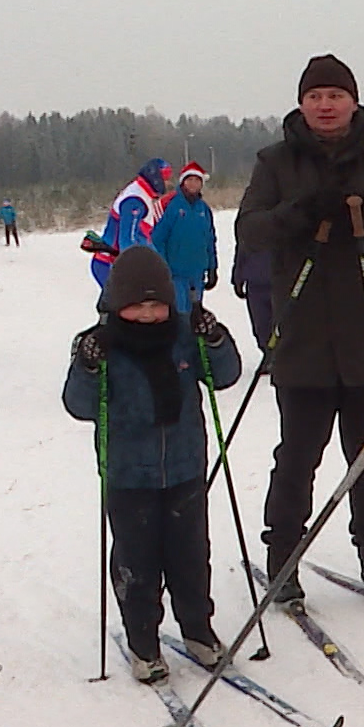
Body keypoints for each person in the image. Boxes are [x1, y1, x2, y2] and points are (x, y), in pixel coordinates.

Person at [235, 54, 364, 602]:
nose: (325, 105)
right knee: (297, 456)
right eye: (315, 95)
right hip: (303, 336)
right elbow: (251, 230)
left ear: (353, 101)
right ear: (301, 103)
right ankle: (283, 559)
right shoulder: (275, 161)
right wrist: (301, 211)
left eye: (335, 95)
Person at [63, 246, 241, 680]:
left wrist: (214, 337)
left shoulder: (183, 335)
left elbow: (225, 374)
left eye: (156, 305)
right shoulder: (100, 343)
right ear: (116, 303)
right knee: (137, 562)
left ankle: (198, 630)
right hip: (129, 475)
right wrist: (87, 366)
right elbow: (78, 405)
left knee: (190, 556)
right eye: (137, 306)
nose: (148, 315)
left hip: (183, 469)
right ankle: (143, 641)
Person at [91, 159, 170, 288]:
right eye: (165, 178)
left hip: (120, 265)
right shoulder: (135, 200)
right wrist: (137, 270)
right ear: (155, 177)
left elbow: (143, 238)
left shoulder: (143, 194)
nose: (168, 183)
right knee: (125, 306)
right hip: (112, 265)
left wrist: (158, 263)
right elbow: (127, 241)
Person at [151, 162, 217, 309]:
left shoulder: (204, 209)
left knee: (196, 313)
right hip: (176, 274)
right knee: (180, 314)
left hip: (197, 272)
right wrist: (163, 268)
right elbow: (158, 239)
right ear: (183, 182)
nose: (193, 184)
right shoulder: (171, 205)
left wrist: (212, 267)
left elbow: (210, 240)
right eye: (190, 180)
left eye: (197, 180)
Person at [229, 242, 275, 356]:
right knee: (261, 327)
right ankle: (268, 355)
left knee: (281, 325)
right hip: (255, 283)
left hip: (280, 282)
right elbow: (241, 248)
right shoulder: (247, 225)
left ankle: (277, 358)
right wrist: (238, 277)